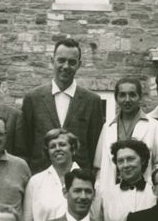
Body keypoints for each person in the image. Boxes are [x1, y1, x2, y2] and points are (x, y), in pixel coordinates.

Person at [20, 37, 104, 173]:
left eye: (72, 62)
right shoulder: (33, 98)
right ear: (52, 61)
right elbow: (24, 145)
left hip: (78, 181)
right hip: (41, 177)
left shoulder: (92, 101)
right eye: (61, 60)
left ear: (79, 64)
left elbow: (95, 147)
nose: (66, 66)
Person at [93, 76, 158, 196]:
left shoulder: (153, 126)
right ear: (116, 98)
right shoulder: (108, 127)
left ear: (140, 97)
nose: (127, 99)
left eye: (132, 94)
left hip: (143, 193)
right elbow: (99, 166)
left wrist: (152, 185)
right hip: (110, 193)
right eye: (122, 95)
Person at [22, 128, 77, 221]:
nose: (57, 149)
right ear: (47, 152)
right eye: (52, 146)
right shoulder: (35, 182)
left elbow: (95, 219)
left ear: (73, 149)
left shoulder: (86, 179)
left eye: (62, 144)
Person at [95, 138, 157, 221]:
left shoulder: (154, 194)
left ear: (143, 160)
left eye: (130, 159)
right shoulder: (105, 196)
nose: (125, 165)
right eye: (120, 161)